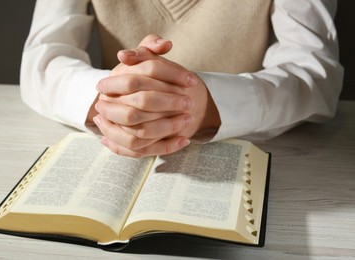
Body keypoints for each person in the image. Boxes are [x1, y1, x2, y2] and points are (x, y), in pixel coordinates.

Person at [20, 0, 343, 158]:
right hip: (114, 140)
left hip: (251, 151)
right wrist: (109, 101)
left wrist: (205, 108)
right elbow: (43, 57)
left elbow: (316, 72)